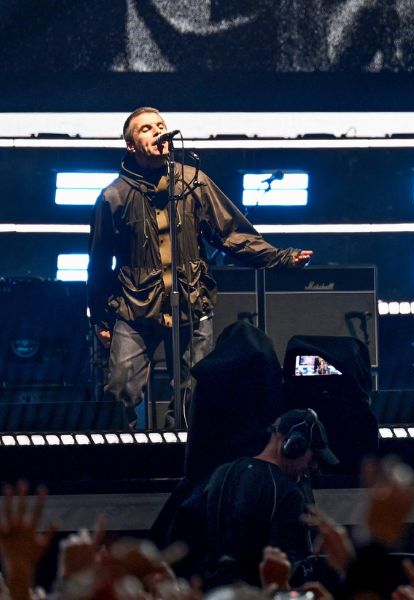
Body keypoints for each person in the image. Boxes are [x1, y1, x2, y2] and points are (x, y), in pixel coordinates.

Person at [88, 107, 313, 429]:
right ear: (131, 145)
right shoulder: (113, 196)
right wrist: (101, 317)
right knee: (120, 388)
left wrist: (281, 258)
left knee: (197, 391)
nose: (158, 131)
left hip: (191, 303)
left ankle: (181, 452)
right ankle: (118, 456)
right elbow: (98, 263)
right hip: (135, 309)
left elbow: (232, 234)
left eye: (160, 125)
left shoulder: (194, 182)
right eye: (146, 128)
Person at [202, 408, 338, 590]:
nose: (313, 467)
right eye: (313, 457)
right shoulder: (288, 492)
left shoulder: (222, 473)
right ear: (293, 446)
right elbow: (279, 573)